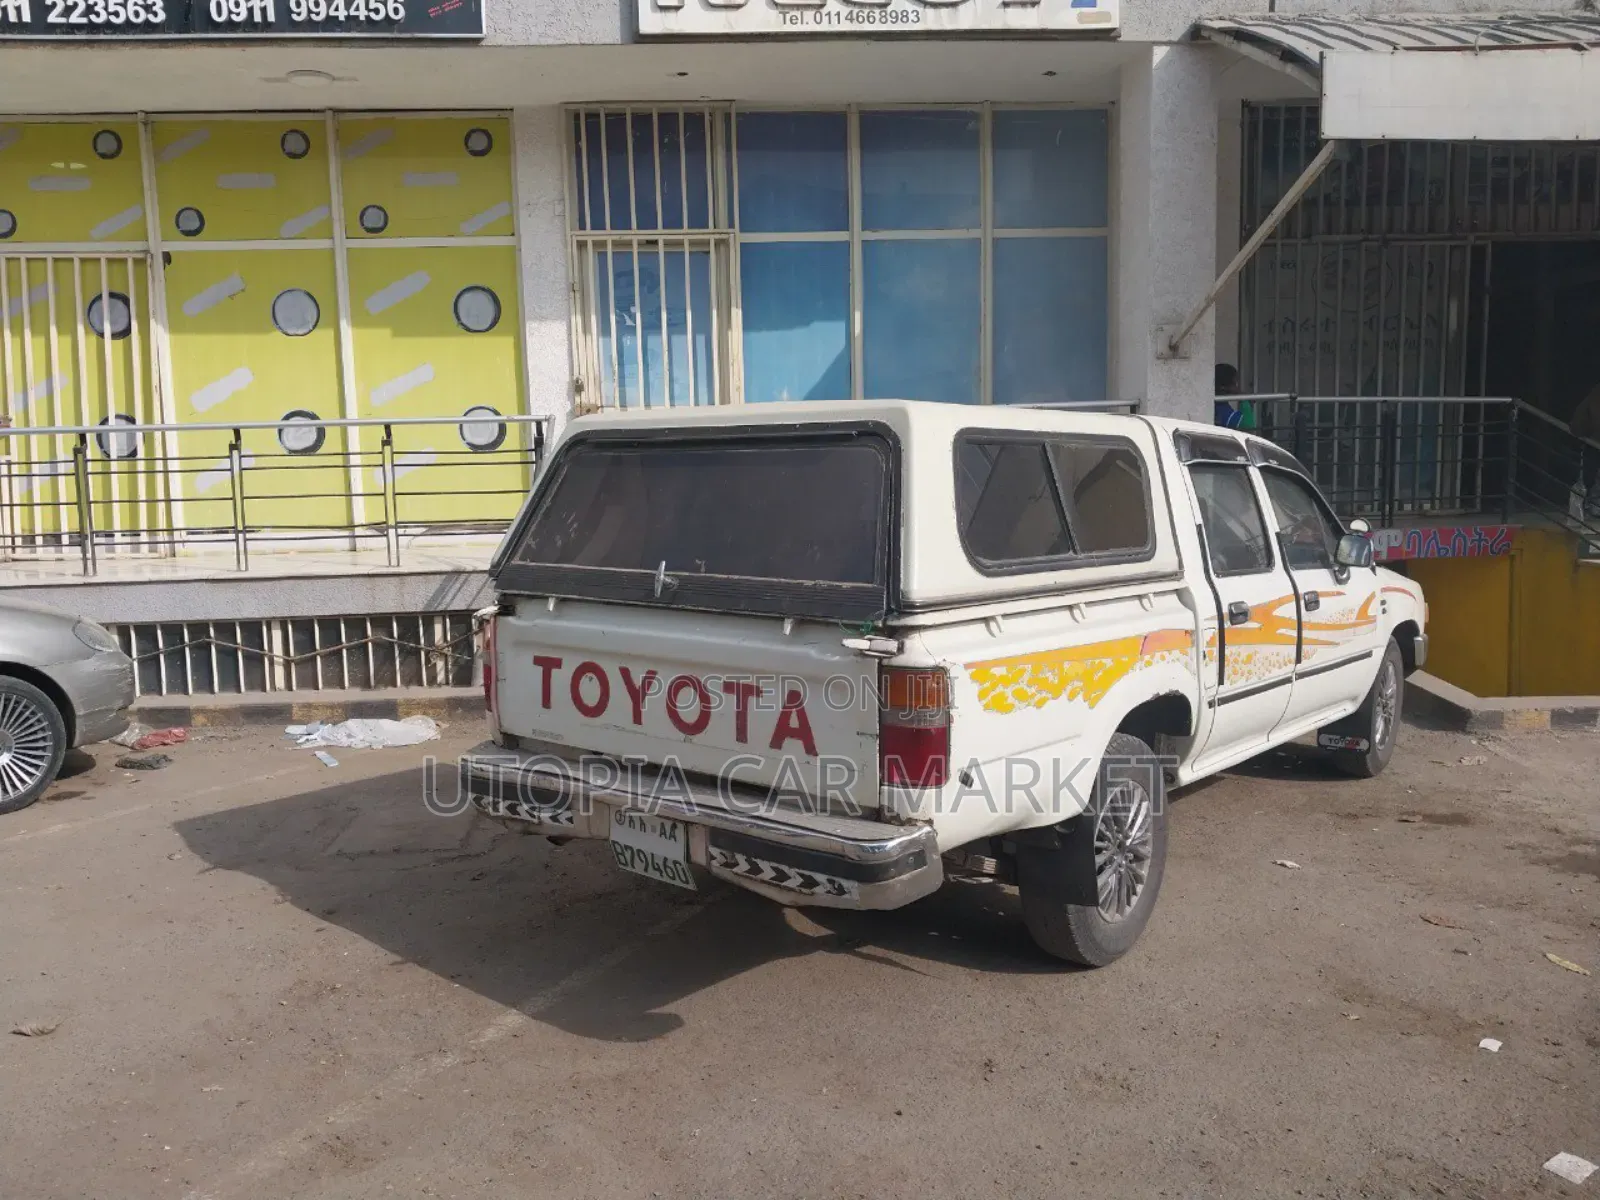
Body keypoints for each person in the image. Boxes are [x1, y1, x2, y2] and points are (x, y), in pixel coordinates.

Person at [1213, 363, 1256, 431]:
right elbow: (1248, 426)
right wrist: (1244, 399)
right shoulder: (1222, 410)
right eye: (1235, 382)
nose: (1237, 385)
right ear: (1223, 387)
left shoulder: (1216, 403)